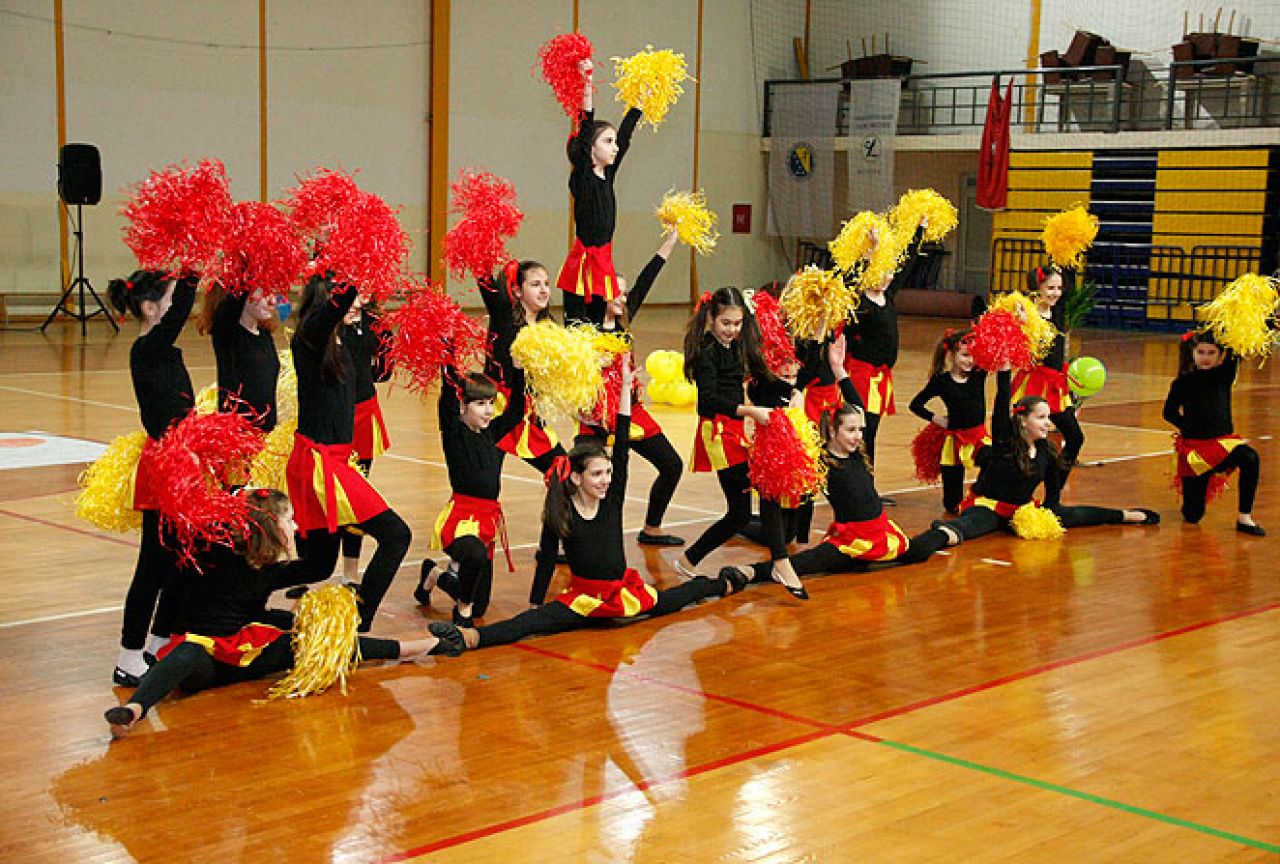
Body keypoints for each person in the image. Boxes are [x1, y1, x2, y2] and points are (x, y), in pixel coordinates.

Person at [437, 357, 746, 650]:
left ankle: (723, 582)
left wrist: (624, 391)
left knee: (679, 597)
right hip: (583, 601)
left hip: (625, 596)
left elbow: (621, 444)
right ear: (576, 478)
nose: (605, 480)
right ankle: (469, 638)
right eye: (597, 474)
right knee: (526, 623)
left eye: (608, 473)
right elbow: (545, 559)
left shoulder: (611, 501)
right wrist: (534, 604)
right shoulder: (561, 511)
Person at [103, 489, 460, 739]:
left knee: (317, 640)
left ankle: (418, 646)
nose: (295, 527)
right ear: (268, 524)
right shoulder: (217, 555)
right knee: (188, 652)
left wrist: (331, 510)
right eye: (289, 520)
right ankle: (134, 709)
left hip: (250, 650)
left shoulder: (270, 567)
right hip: (208, 659)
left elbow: (319, 565)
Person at [903, 367, 1159, 561]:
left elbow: (1054, 500)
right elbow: (1002, 403)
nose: (1049, 423)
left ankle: (1126, 515)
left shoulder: (1047, 451)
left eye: (1049, 417)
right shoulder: (1004, 443)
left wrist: (1055, 514)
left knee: (1071, 515)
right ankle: (916, 547)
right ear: (1023, 420)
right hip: (989, 507)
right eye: (1042, 417)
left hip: (1021, 511)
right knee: (965, 529)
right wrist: (1004, 371)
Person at [723, 335, 912, 585]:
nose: (857, 436)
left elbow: (857, 408)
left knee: (916, 550)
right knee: (795, 546)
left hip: (880, 534)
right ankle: (747, 557)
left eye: (859, 431)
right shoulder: (822, 456)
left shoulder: (855, 450)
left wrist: (838, 369)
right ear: (833, 431)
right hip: (848, 539)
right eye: (851, 431)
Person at [285, 274, 411, 632]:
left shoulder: (342, 341)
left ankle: (245, 587)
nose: (358, 303)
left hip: (336, 462)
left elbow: (381, 371)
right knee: (396, 535)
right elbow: (338, 306)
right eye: (350, 297)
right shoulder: (309, 338)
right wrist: (357, 257)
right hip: (318, 463)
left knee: (317, 567)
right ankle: (360, 623)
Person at [671, 287, 806, 594]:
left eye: (737, 323)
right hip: (717, 434)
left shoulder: (737, 345)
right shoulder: (706, 351)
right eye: (726, 324)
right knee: (766, 486)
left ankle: (688, 561)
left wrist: (790, 392)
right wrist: (750, 412)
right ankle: (780, 562)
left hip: (733, 429)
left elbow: (760, 376)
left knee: (740, 513)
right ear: (711, 319)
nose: (732, 330)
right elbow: (706, 403)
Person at [107, 270, 199, 686]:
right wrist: (193, 269)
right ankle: (128, 655)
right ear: (149, 307)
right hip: (164, 466)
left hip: (185, 462)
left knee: (184, 558)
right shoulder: (148, 349)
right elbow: (179, 313)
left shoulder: (163, 350)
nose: (179, 305)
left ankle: (160, 642)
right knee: (153, 565)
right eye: (171, 298)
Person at [573, 228, 685, 546]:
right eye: (616, 292)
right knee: (578, 478)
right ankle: (569, 540)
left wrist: (670, 241)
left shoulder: (625, 319)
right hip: (594, 417)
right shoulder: (584, 327)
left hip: (630, 411)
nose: (622, 297)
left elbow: (647, 278)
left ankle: (652, 528)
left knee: (671, 465)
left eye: (624, 293)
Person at [413, 366, 527, 625]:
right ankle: (461, 609)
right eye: (479, 404)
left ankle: (434, 575)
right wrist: (449, 346)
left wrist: (518, 371)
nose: (488, 410)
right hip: (460, 521)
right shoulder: (454, 432)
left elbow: (517, 410)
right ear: (463, 406)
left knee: (481, 608)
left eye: (490, 403)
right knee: (474, 557)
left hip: (488, 522)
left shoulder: (494, 435)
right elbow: (448, 393)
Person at [558, 58, 643, 321]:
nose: (615, 147)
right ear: (590, 148)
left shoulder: (608, 174)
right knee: (578, 326)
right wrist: (587, 82)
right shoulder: (583, 177)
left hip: (603, 263)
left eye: (614, 142)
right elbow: (585, 122)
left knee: (600, 323)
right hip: (582, 267)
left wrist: (639, 103)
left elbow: (626, 137)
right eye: (608, 141)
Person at [1163, 330, 1265, 535]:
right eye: (1201, 352)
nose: (1205, 357)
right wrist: (1187, 427)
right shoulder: (1182, 382)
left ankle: (1245, 518)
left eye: (1211, 353)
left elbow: (1238, 346)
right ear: (1192, 353)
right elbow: (1168, 412)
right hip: (1195, 453)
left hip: (1222, 446)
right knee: (1192, 516)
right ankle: (1201, 487)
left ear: (1220, 355)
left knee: (1250, 458)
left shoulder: (1224, 375)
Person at [1012, 265, 1083, 504]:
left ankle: (1055, 490)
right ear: (1037, 288)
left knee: (1075, 437)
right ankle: (1020, 491)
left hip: (1056, 385)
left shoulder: (1059, 311)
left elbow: (1069, 276)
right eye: (1050, 288)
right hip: (1035, 383)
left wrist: (1068, 249)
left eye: (1059, 288)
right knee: (1029, 441)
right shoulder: (1028, 314)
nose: (1055, 293)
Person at [338, 300, 393, 582]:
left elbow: (384, 373)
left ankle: (350, 571)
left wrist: (388, 341)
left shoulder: (372, 319)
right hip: (334, 414)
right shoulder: (330, 319)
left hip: (363, 412)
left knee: (357, 492)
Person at [908, 327, 990, 514]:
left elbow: (997, 353)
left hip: (978, 439)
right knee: (951, 503)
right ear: (952, 354)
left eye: (973, 356)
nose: (970, 361)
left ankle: (980, 495)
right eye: (965, 355)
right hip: (954, 441)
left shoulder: (979, 374)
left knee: (993, 464)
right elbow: (915, 405)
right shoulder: (941, 382)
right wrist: (937, 419)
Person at [197, 283, 280, 430]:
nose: (272, 300)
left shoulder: (264, 335)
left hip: (266, 433)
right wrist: (251, 265)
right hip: (237, 436)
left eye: (272, 293)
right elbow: (233, 301)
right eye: (263, 294)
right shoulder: (227, 332)